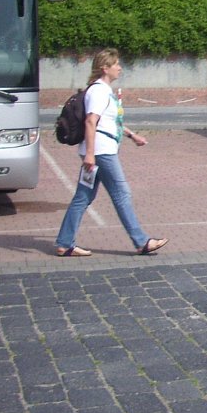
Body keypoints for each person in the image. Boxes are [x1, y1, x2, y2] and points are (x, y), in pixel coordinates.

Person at [54, 49, 168, 257]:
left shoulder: (102, 91)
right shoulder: (98, 91)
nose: (119, 68)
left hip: (97, 149)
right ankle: (141, 242)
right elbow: (91, 121)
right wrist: (90, 154)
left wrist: (132, 135)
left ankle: (64, 243)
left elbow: (109, 122)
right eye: (116, 64)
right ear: (105, 68)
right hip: (101, 151)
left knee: (83, 196)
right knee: (121, 193)